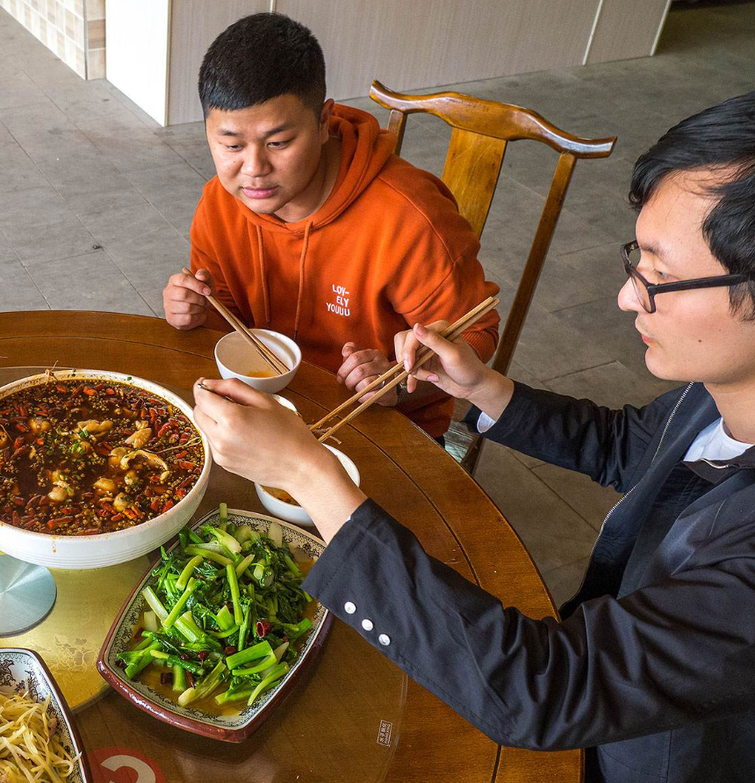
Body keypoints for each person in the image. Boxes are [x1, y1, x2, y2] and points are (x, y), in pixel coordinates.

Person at [191, 90, 755, 783]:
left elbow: (540, 688)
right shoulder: (721, 391)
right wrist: (483, 386)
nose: (627, 297)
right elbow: (630, 445)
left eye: (661, 276)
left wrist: (310, 473)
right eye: (636, 262)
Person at [162, 12, 500, 441]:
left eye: (278, 143)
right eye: (230, 145)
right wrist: (195, 311)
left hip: (380, 429)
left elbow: (476, 331)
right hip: (267, 413)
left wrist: (397, 382)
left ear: (323, 121)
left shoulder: (408, 217)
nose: (253, 169)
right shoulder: (220, 201)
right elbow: (228, 318)